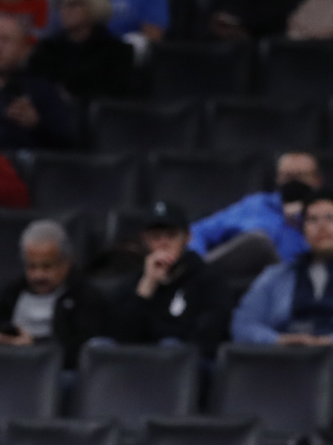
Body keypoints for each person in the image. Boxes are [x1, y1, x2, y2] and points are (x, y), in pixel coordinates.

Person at [110, 203, 233, 358]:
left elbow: (206, 339)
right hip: (138, 367)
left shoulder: (210, 279)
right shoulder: (133, 283)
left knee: (171, 346)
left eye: (171, 235)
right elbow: (122, 340)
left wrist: (157, 332)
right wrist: (148, 285)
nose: (163, 243)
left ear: (187, 237)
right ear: (145, 241)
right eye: (155, 237)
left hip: (187, 371)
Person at [0, 220, 109, 368]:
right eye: (32, 266)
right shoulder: (12, 293)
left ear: (66, 263)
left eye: (47, 267)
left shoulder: (85, 297)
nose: (38, 275)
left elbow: (83, 351)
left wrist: (34, 348)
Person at [0, 16, 76, 150]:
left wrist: (37, 124)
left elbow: (70, 144)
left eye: (5, 40)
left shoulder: (42, 92)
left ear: (24, 50)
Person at [232, 188, 333, 345]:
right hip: (285, 360)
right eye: (312, 220)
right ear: (302, 229)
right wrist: (279, 340)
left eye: (330, 218)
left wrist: (328, 342)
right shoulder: (275, 276)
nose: (321, 226)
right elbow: (243, 326)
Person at [190, 152, 322, 268]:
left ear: (317, 180)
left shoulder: (325, 213)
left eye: (301, 176)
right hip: (244, 278)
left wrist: (299, 219)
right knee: (257, 241)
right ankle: (193, 275)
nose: (294, 182)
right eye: (287, 176)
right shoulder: (256, 205)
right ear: (278, 179)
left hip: (294, 283)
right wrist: (196, 257)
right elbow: (198, 231)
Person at [28, 0, 135, 102]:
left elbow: (117, 100)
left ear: (94, 4)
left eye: (73, 4)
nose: (65, 10)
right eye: (61, 3)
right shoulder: (46, 50)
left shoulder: (118, 52)